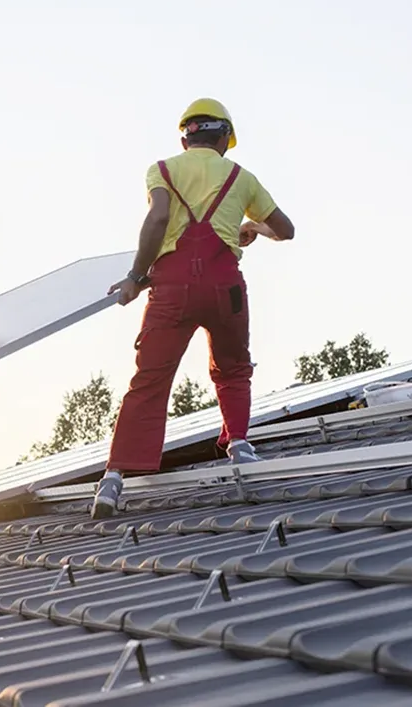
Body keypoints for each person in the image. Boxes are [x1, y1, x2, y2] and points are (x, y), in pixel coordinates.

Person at [92, 98, 296, 519]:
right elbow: (286, 230)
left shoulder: (164, 170)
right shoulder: (242, 177)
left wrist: (135, 276)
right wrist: (251, 227)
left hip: (171, 288)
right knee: (233, 366)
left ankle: (113, 478)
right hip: (225, 287)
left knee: (149, 378)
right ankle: (239, 444)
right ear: (223, 137)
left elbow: (157, 219)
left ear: (186, 136)